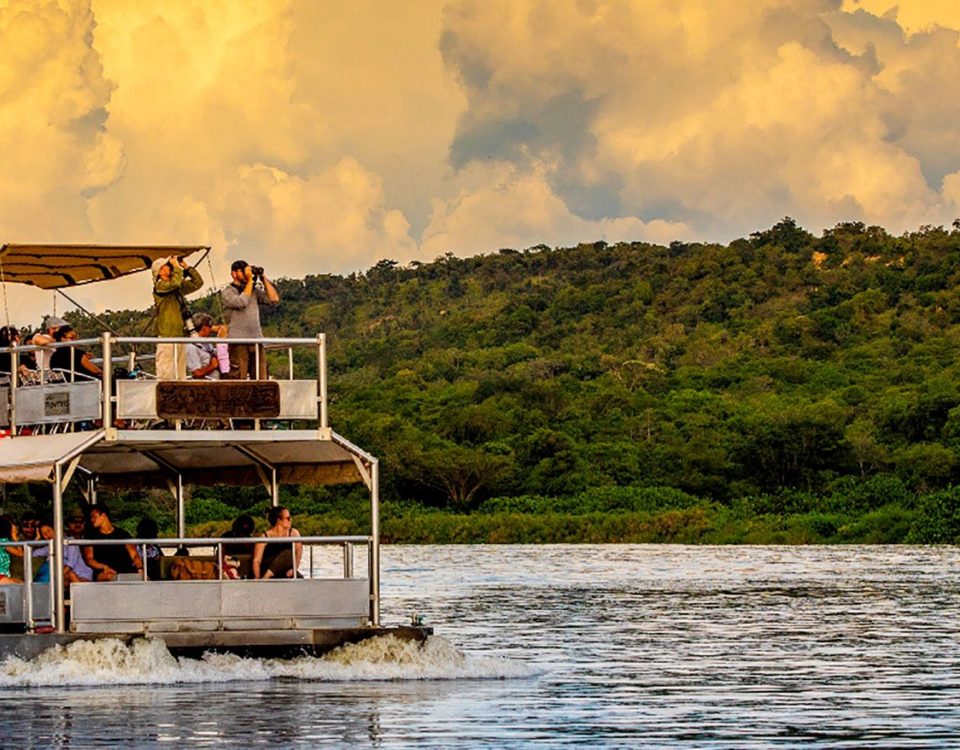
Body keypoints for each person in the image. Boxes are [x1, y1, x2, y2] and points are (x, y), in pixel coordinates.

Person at [221, 260, 279, 380]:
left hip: (256, 340)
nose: (247, 275)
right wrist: (250, 282)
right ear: (234, 274)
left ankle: (259, 398)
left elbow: (273, 298)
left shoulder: (253, 291)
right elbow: (241, 302)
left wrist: (263, 278)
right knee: (238, 377)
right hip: (238, 341)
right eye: (244, 272)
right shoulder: (228, 292)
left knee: (261, 377)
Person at [152, 255, 203, 380]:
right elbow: (174, 283)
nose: (168, 268)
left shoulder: (176, 286)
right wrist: (176, 267)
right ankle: (164, 396)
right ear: (159, 271)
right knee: (166, 373)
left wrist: (186, 267)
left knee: (180, 373)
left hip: (180, 334)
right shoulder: (160, 286)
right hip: (167, 335)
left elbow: (198, 283)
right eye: (165, 267)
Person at [82, 502, 143, 581]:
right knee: (109, 577)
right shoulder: (90, 536)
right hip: (104, 572)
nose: (92, 520)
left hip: (125, 571)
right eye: (91, 517)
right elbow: (89, 559)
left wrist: (140, 568)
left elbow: (134, 555)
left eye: (94, 517)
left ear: (103, 515)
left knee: (143, 578)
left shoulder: (122, 534)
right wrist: (103, 567)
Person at [252, 506, 301, 579]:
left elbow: (298, 552)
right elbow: (257, 560)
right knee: (288, 553)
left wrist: (294, 569)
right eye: (288, 518)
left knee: (299, 578)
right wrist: (257, 578)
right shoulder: (264, 537)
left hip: (286, 570)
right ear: (279, 520)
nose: (290, 520)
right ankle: (266, 577)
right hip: (268, 566)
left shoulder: (293, 533)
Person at [185, 313, 224, 379]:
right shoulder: (191, 347)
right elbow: (197, 373)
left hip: (215, 380)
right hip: (204, 384)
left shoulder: (206, 343)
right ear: (204, 328)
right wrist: (212, 366)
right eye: (210, 327)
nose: (211, 330)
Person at [64, 508, 94, 582]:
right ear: (68, 523)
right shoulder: (64, 540)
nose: (77, 524)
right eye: (73, 522)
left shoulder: (90, 539)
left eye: (81, 522)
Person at [0, 515, 22, 583]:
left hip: (3, 575)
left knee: (22, 583)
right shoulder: (3, 541)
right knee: (22, 586)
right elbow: (21, 553)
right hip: (1, 575)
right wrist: (15, 537)